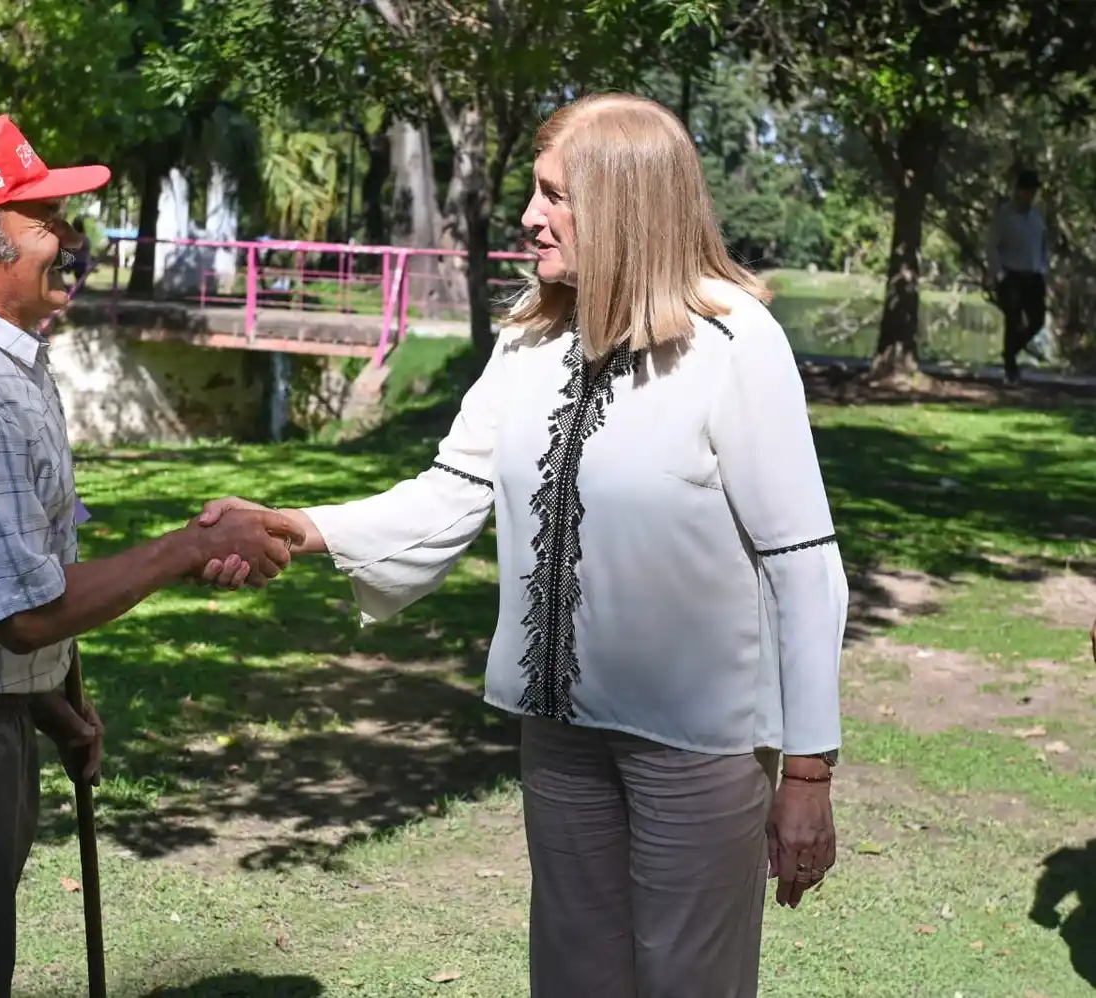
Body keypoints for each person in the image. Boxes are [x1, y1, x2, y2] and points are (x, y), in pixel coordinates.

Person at [196, 93, 847, 998]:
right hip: (560, 734)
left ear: (627, 204)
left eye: (556, 196)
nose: (530, 217)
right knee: (574, 978)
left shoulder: (736, 341)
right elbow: (452, 491)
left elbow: (802, 560)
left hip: (696, 747)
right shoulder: (533, 335)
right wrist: (302, 529)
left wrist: (808, 771)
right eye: (535, 192)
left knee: (689, 982)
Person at [0, 115, 300, 998]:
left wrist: (54, 705)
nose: (70, 235)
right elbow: (22, 611)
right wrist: (194, 546)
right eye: (44, 217)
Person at [986, 168, 1050, 385]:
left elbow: (1043, 244)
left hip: (1033, 275)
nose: (1031, 196)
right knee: (1013, 319)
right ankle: (1010, 370)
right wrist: (999, 274)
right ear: (1018, 191)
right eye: (1028, 192)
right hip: (1011, 274)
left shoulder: (1036, 216)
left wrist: (1043, 267)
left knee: (1037, 320)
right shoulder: (1004, 215)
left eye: (1034, 192)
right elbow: (992, 246)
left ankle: (1010, 351)